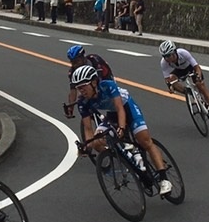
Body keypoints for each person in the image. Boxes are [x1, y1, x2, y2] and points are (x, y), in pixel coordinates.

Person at [71, 64, 172, 197]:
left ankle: (164, 179)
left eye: (83, 86)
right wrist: (86, 146)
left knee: (144, 141)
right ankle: (122, 157)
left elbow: (120, 108)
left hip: (127, 107)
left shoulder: (107, 85)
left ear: (94, 82)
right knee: (97, 141)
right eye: (78, 88)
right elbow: (88, 128)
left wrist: (122, 127)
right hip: (112, 114)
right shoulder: (82, 102)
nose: (81, 91)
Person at [159, 40, 209, 123]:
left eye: (168, 55)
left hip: (191, 68)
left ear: (174, 52)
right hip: (179, 70)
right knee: (172, 80)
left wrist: (198, 76)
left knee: (200, 85)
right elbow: (167, 79)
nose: (167, 59)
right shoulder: (164, 63)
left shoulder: (183, 53)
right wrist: (170, 87)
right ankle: (189, 93)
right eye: (165, 56)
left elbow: (196, 67)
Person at [63, 44, 115, 116]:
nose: (75, 65)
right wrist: (71, 108)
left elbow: (99, 80)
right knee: (82, 100)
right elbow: (73, 90)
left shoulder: (94, 60)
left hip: (104, 78)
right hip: (89, 84)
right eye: (72, 62)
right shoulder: (72, 72)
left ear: (83, 57)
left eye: (77, 61)